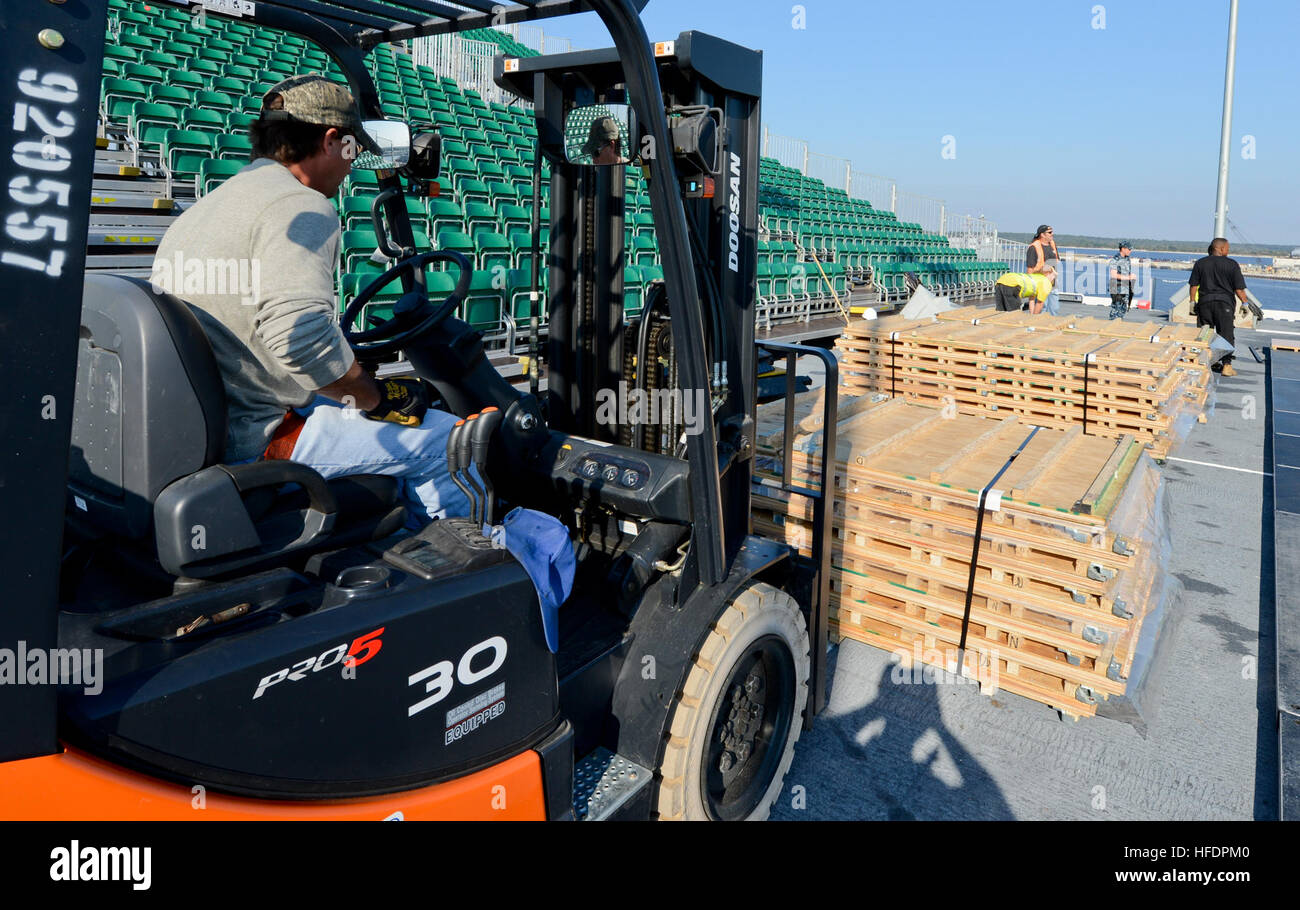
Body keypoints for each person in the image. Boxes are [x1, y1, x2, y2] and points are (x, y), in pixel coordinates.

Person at [151, 74, 471, 525]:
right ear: (330, 140)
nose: (352, 162)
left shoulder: (206, 209)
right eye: (352, 149)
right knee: (453, 444)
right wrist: (374, 397)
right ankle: (451, 567)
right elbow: (300, 340)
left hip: (211, 422)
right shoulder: (298, 206)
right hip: (256, 436)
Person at [1189, 237, 1250, 377]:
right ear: (1221, 249)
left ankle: (1207, 361)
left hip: (1204, 303)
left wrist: (1192, 302)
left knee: (1205, 333)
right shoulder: (1232, 264)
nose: (1228, 251)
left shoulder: (1200, 263)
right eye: (1227, 248)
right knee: (1226, 333)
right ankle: (1226, 365)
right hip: (1225, 304)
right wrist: (1245, 303)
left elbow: (1194, 285)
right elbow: (1239, 288)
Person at [1026, 225, 1062, 316]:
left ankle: (1051, 327)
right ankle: (1037, 326)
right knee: (1042, 307)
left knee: (1054, 308)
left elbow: (1056, 261)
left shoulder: (1052, 244)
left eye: (1052, 232)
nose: (1052, 234)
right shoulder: (1033, 247)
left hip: (1053, 282)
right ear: (1042, 234)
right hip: (1040, 283)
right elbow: (1030, 269)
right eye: (1049, 232)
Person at [1108, 241, 1137, 319]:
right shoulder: (1115, 260)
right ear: (1123, 249)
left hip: (1125, 287)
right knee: (1116, 309)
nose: (1130, 251)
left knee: (1123, 309)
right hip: (1116, 288)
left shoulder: (1127, 259)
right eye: (1129, 249)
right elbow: (1113, 275)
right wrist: (1129, 277)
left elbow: (1126, 272)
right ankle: (1112, 325)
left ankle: (1118, 324)